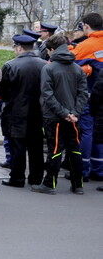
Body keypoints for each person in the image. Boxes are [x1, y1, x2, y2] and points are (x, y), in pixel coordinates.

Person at [32, 33, 89, 195]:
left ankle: (50, 184)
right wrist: (74, 113)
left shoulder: (49, 68)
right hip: (73, 116)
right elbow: (83, 94)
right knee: (74, 149)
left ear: (51, 50)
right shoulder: (77, 68)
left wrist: (64, 113)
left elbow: (47, 94)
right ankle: (78, 184)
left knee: (55, 149)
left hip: (54, 117)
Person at [0, 33, 47, 188]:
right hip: (38, 111)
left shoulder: (10, 65)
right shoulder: (45, 64)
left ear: (19, 47)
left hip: (16, 111)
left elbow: (3, 91)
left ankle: (17, 178)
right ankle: (36, 177)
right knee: (36, 146)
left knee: (17, 146)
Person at [72, 12, 103, 182]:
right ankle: (99, 169)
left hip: (91, 94)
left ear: (86, 26)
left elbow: (71, 67)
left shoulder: (85, 46)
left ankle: (83, 169)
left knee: (88, 130)